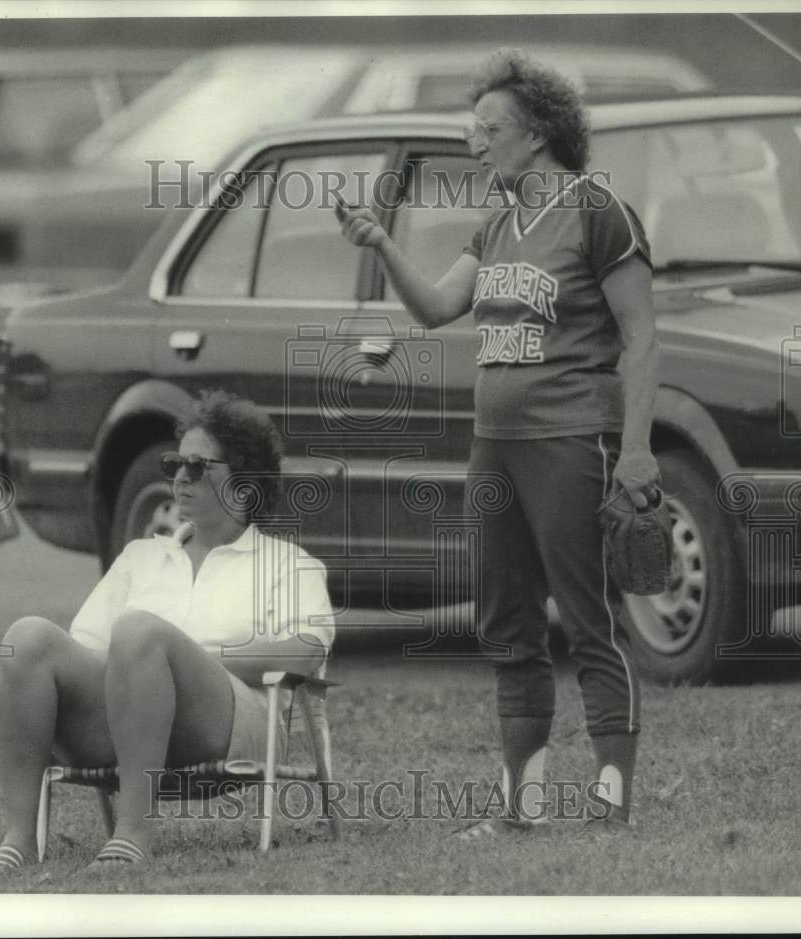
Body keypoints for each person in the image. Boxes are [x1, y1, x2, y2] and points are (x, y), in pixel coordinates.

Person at [336, 49, 659, 833]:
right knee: (509, 622)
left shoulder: (598, 212)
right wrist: (381, 243)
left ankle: (610, 804)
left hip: (572, 439)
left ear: (540, 132)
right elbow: (437, 308)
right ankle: (524, 807)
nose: (475, 142)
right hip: (496, 444)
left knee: (590, 620)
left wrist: (640, 448)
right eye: (472, 128)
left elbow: (642, 337)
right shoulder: (499, 220)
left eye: (490, 128)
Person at [0, 390, 334, 870]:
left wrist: (188, 659)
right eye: (174, 464)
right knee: (29, 638)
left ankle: (132, 835)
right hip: (125, 723)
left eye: (197, 465)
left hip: (231, 724)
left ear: (244, 481)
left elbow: (305, 653)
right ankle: (19, 839)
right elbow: (85, 650)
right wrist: (147, 664)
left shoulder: (288, 564)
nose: (180, 477)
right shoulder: (141, 557)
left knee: (140, 632)